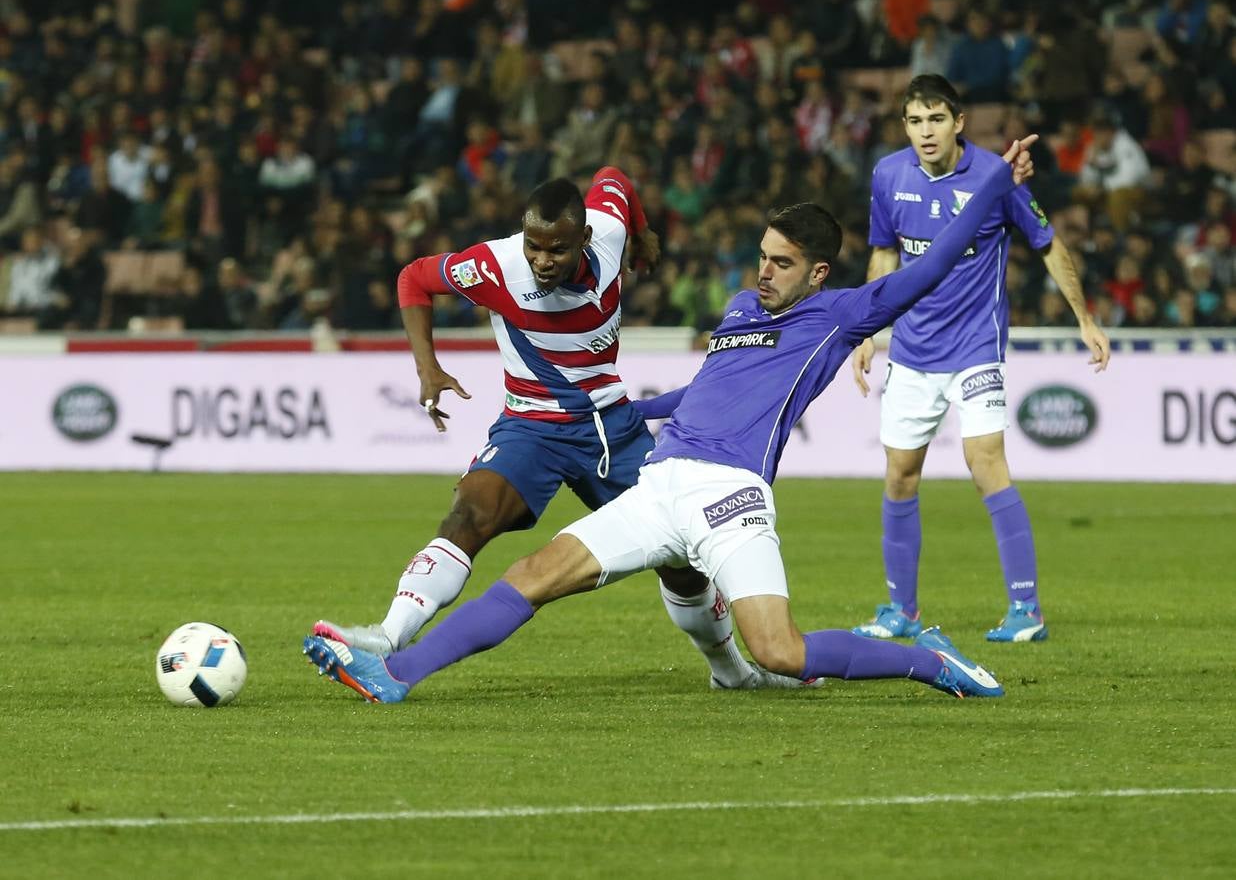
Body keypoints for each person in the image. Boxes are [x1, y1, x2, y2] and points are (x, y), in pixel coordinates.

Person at [299, 135, 1042, 705]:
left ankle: (929, 658)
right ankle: (395, 673)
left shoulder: (843, 314)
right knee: (532, 574)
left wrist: (994, 191)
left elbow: (935, 263)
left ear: (818, 273)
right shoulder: (743, 309)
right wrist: (638, 409)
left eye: (782, 263)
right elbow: (706, 391)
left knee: (780, 652)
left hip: (731, 499)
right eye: (762, 257)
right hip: (661, 481)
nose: (763, 272)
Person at [313, 166, 807, 691]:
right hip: (531, 428)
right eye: (534, 247)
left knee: (684, 560)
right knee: (469, 515)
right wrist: (426, 367)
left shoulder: (612, 231)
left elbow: (614, 178)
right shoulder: (494, 265)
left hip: (612, 428)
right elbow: (414, 278)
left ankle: (729, 673)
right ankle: (386, 639)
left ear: (586, 238)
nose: (542, 262)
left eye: (556, 250)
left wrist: (641, 236)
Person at [849, 75, 1111, 645]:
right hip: (913, 352)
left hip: (975, 346)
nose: (925, 132)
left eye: (936, 119)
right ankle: (901, 611)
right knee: (899, 475)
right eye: (915, 121)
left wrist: (1084, 318)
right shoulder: (888, 175)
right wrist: (868, 330)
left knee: (984, 461)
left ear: (959, 122)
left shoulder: (996, 177)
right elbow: (884, 251)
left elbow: (1047, 243)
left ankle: (1027, 610)